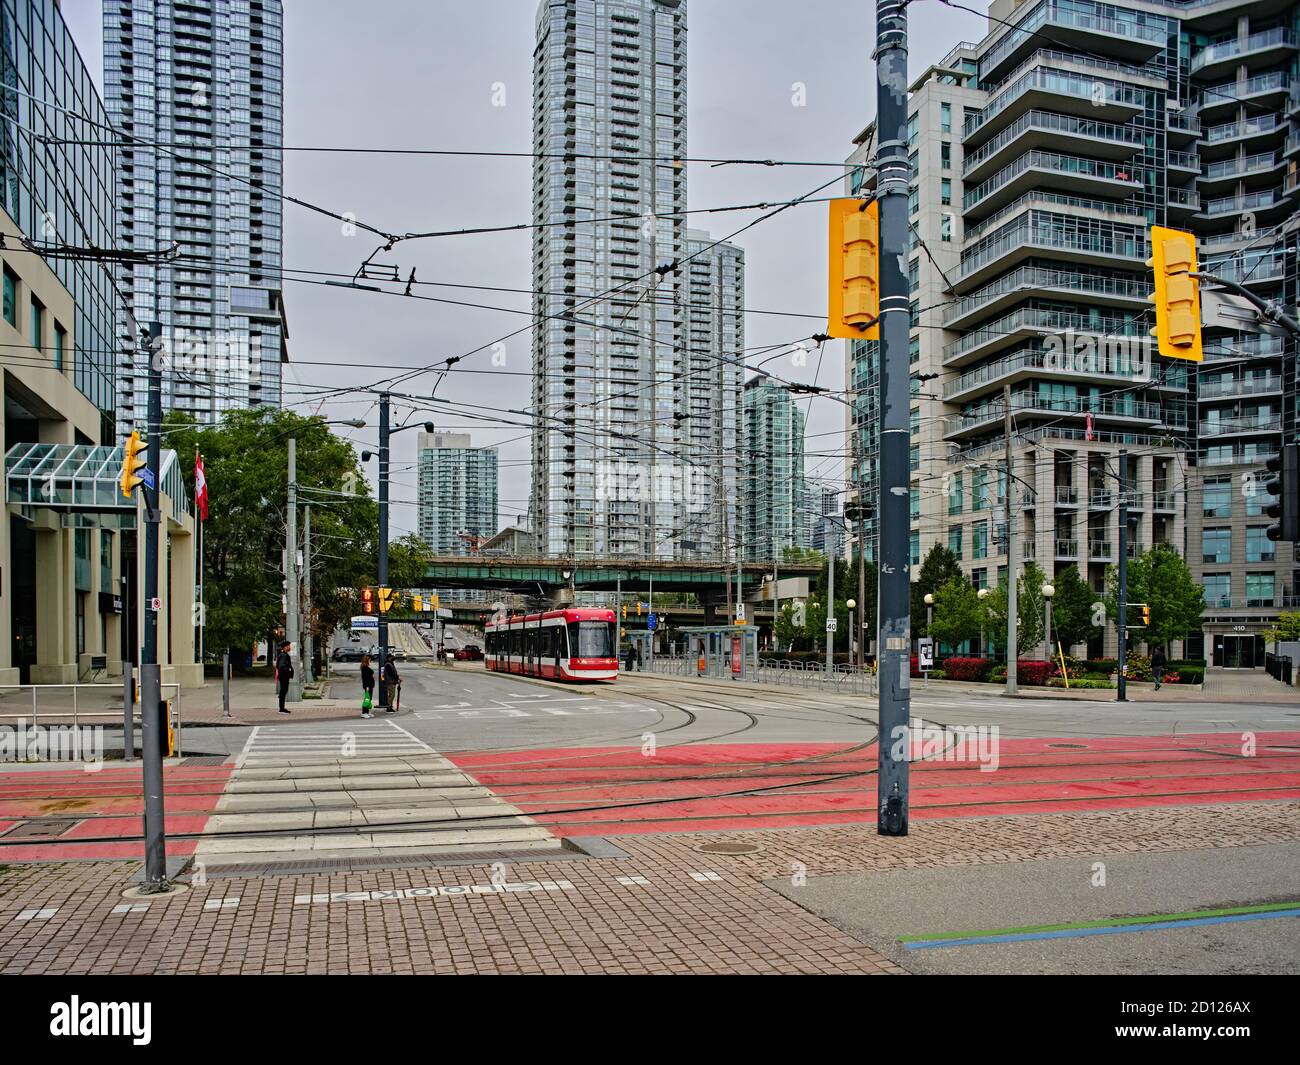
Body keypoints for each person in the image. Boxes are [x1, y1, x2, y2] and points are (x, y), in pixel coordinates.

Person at [275, 641, 293, 714]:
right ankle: (281, 709)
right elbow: (281, 666)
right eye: (289, 646)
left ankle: (282, 708)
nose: (290, 647)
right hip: (284, 676)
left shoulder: (283, 654)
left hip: (284, 676)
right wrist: (288, 670)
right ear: (285, 647)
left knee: (283, 691)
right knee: (283, 691)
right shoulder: (283, 655)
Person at [360, 654, 375, 719]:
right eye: (369, 660)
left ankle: (367, 712)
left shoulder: (366, 667)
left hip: (369, 685)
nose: (370, 661)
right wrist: (367, 686)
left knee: (369, 699)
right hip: (368, 686)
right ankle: (364, 712)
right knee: (367, 699)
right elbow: (365, 678)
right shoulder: (365, 668)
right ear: (367, 660)